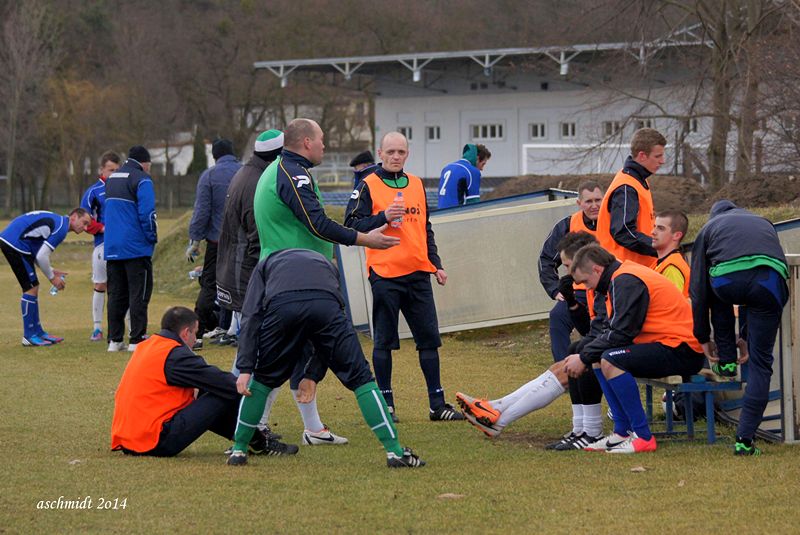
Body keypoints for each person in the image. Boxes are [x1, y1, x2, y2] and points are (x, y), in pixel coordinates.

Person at [253, 118, 398, 444]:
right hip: (295, 280)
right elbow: (317, 223)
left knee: (294, 354)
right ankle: (252, 430)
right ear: (307, 142)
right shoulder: (293, 173)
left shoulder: (285, 170)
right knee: (279, 358)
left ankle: (311, 428)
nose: (324, 145)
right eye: (321, 139)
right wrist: (365, 239)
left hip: (293, 277)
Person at [228, 248, 424, 468]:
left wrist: (245, 368)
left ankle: (239, 450)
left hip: (282, 307)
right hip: (326, 305)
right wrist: (312, 374)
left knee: (262, 380)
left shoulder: (264, 264)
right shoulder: (326, 263)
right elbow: (327, 331)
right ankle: (394, 451)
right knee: (362, 379)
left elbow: (251, 315)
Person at [345, 131, 464, 423]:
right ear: (380, 153)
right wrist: (383, 217)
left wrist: (436, 264)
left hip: (418, 273)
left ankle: (437, 405)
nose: (396, 157)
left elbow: (425, 228)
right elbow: (351, 224)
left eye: (401, 152)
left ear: (407, 154)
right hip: (385, 274)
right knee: (384, 341)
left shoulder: (417, 184)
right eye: (391, 152)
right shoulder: (367, 185)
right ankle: (387, 405)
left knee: (429, 340)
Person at [457, 231, 606, 449]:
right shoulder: (592, 283)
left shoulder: (606, 281)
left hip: (632, 349)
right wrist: (572, 302)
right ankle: (496, 408)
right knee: (566, 361)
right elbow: (590, 329)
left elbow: (609, 330)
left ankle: (499, 419)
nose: (567, 272)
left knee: (572, 361)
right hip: (614, 343)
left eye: (567, 265)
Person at [560, 244, 704, 453]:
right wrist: (586, 355)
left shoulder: (626, 280)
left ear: (597, 270)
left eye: (586, 281)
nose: (588, 288)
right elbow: (612, 331)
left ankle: (643, 436)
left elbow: (621, 333)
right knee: (600, 357)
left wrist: (582, 357)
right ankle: (622, 431)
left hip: (682, 348)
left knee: (611, 359)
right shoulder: (618, 278)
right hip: (667, 344)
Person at [111, 306, 296, 457]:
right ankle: (259, 443)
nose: (195, 340)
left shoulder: (147, 346)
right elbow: (221, 382)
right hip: (154, 441)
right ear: (186, 333)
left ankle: (254, 441)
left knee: (210, 392)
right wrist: (257, 391)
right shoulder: (175, 355)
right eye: (195, 333)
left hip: (129, 438)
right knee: (222, 392)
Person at [690, 200, 789, 456]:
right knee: (760, 363)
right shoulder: (763, 222)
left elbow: (699, 291)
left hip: (728, 280)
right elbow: (755, 270)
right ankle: (744, 440)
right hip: (771, 281)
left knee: (717, 293)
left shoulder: (708, 229)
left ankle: (726, 362)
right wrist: (746, 337)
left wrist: (702, 336)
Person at [216, 130, 284, 344]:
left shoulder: (246, 173)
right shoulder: (257, 182)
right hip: (245, 271)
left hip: (236, 268)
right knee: (253, 346)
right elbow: (257, 236)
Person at [0, 208, 92, 346]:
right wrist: (52, 279)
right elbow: (42, 256)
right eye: (84, 223)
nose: (85, 228)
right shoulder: (61, 228)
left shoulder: (59, 222)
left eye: (87, 225)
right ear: (73, 217)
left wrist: (51, 271)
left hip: (15, 242)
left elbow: (38, 254)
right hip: (14, 243)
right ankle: (29, 336)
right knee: (30, 288)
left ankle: (38, 332)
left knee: (33, 287)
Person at [538, 180, 603, 362]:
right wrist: (554, 289)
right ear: (579, 203)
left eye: (598, 200)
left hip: (608, 290)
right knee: (557, 316)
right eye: (588, 201)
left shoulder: (615, 222)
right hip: (579, 292)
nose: (594, 205)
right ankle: (563, 368)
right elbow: (546, 259)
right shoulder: (567, 225)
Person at [186, 138, 242, 343]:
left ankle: (197, 333)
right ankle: (236, 329)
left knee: (209, 286)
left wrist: (195, 239)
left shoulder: (209, 176)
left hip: (217, 241)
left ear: (215, 156)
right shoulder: (245, 172)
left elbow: (202, 211)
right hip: (244, 240)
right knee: (241, 283)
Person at [104, 145, 157, 352]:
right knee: (139, 293)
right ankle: (137, 339)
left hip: (112, 246)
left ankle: (114, 340)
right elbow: (147, 214)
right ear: (144, 162)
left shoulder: (112, 179)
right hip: (135, 247)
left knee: (116, 294)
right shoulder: (142, 179)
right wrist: (152, 238)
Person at [595, 128, 666, 269]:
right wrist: (659, 247)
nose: (662, 161)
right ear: (642, 156)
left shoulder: (637, 180)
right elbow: (624, 233)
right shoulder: (627, 187)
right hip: (624, 270)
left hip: (635, 268)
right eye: (658, 156)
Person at [80, 151, 122, 342]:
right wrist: (103, 228)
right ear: (101, 170)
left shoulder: (124, 188)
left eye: (117, 170)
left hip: (122, 245)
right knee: (100, 284)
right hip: (102, 245)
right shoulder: (93, 192)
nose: (114, 173)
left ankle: (130, 328)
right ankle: (97, 328)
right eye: (110, 170)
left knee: (123, 286)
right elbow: (84, 221)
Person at [437, 143, 491, 209]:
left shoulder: (447, 168)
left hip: (439, 212)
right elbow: (474, 204)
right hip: (455, 213)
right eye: (483, 164)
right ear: (477, 158)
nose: (482, 169)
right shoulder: (472, 171)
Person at [652, 210, 690, 296]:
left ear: (677, 235)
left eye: (660, 228)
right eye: (654, 226)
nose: (653, 232)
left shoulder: (672, 268)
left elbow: (672, 302)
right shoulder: (661, 263)